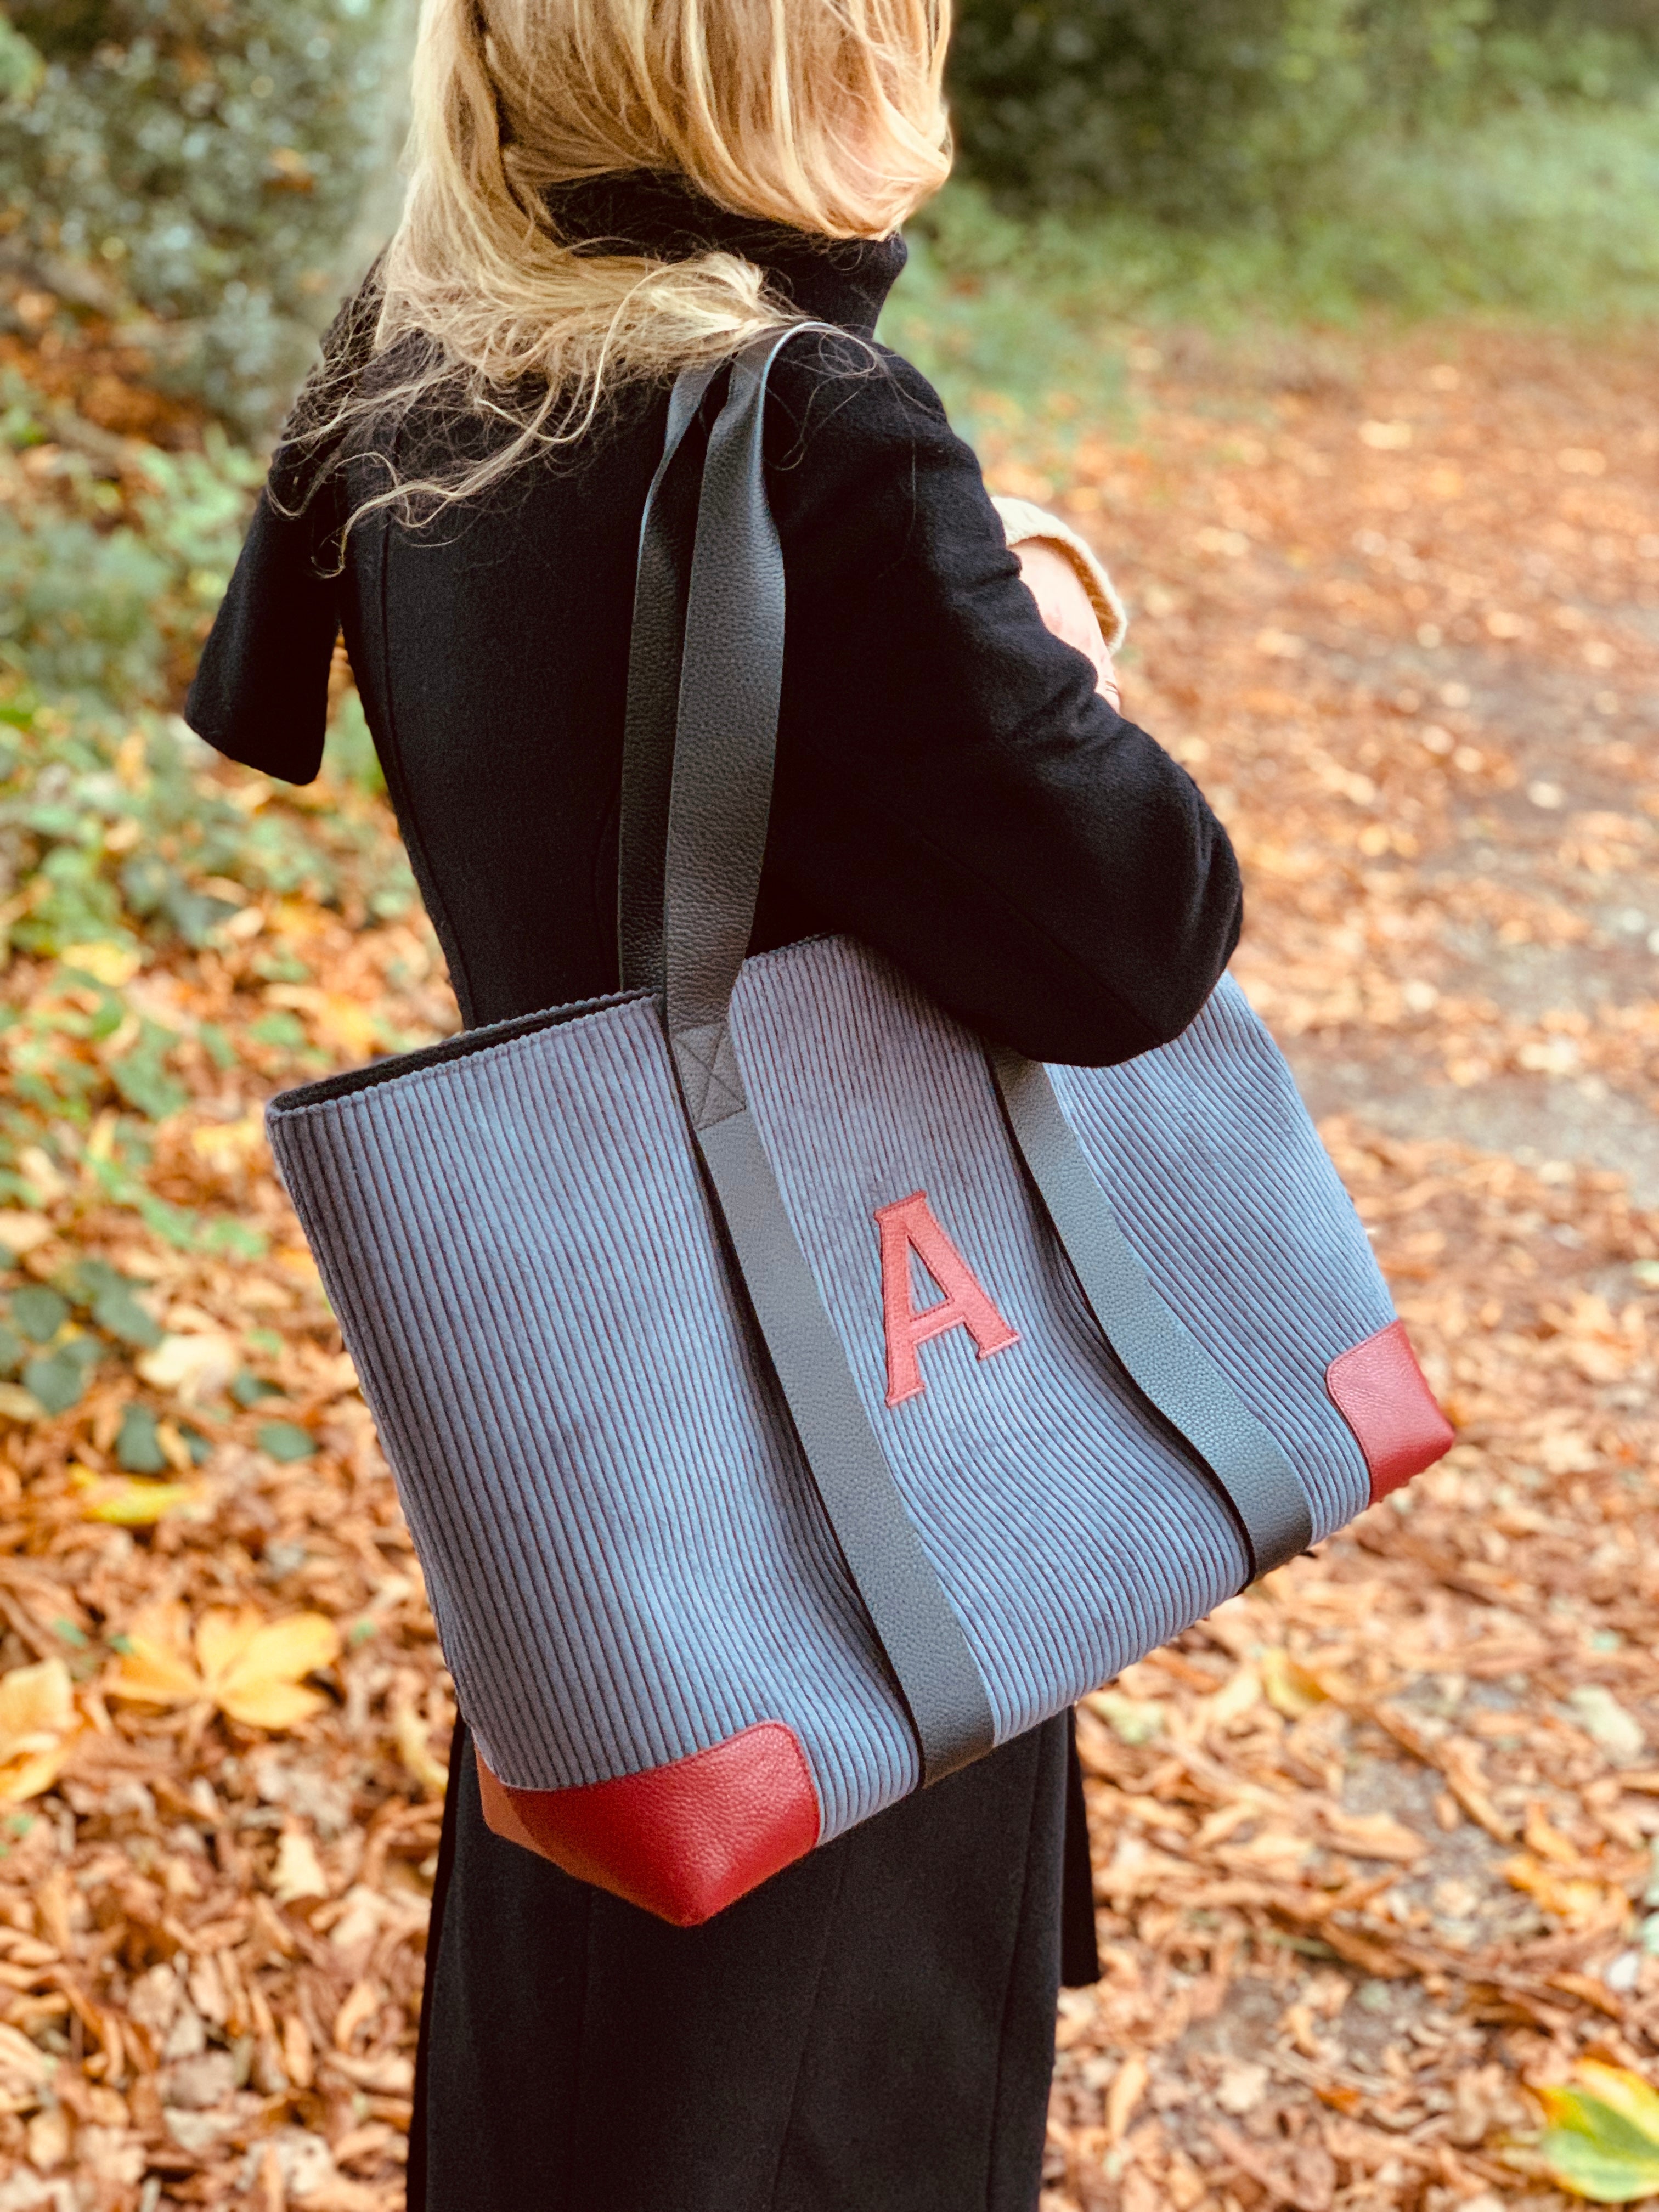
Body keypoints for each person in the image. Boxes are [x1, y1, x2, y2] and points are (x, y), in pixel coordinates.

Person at [187, 0, 1243, 2200]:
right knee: (812, 2098)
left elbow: (257, 695)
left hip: (588, 1443)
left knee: (584, 2077)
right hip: (867, 1437)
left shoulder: (412, 364)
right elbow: (1136, 943)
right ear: (812, 62)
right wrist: (1032, 620)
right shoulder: (803, 432)